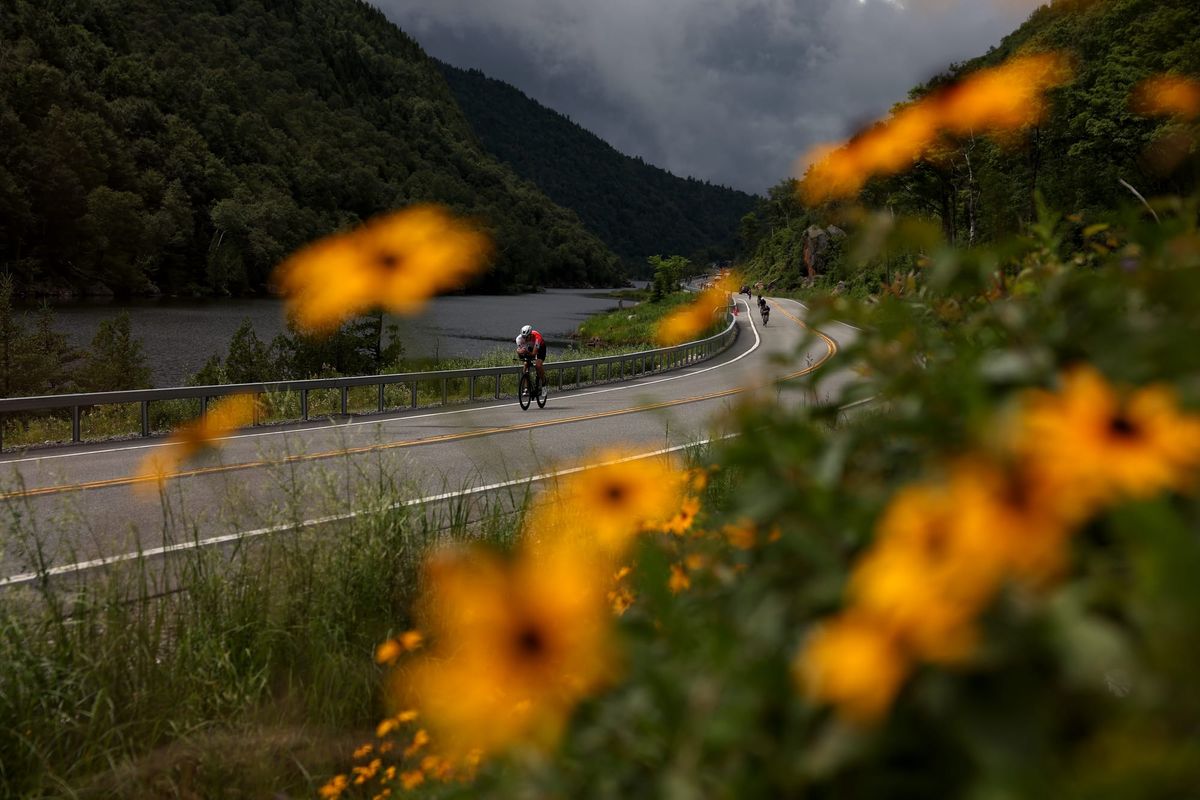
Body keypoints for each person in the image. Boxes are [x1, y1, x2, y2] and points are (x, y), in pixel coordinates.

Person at [515, 324, 547, 396]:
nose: (525, 339)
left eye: (526, 337)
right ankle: (526, 388)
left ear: (530, 335)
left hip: (540, 348)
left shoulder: (537, 337)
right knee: (526, 364)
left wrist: (525, 352)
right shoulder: (519, 339)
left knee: (538, 366)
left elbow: (533, 354)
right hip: (530, 348)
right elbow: (520, 353)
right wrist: (519, 352)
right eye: (524, 337)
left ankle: (544, 384)